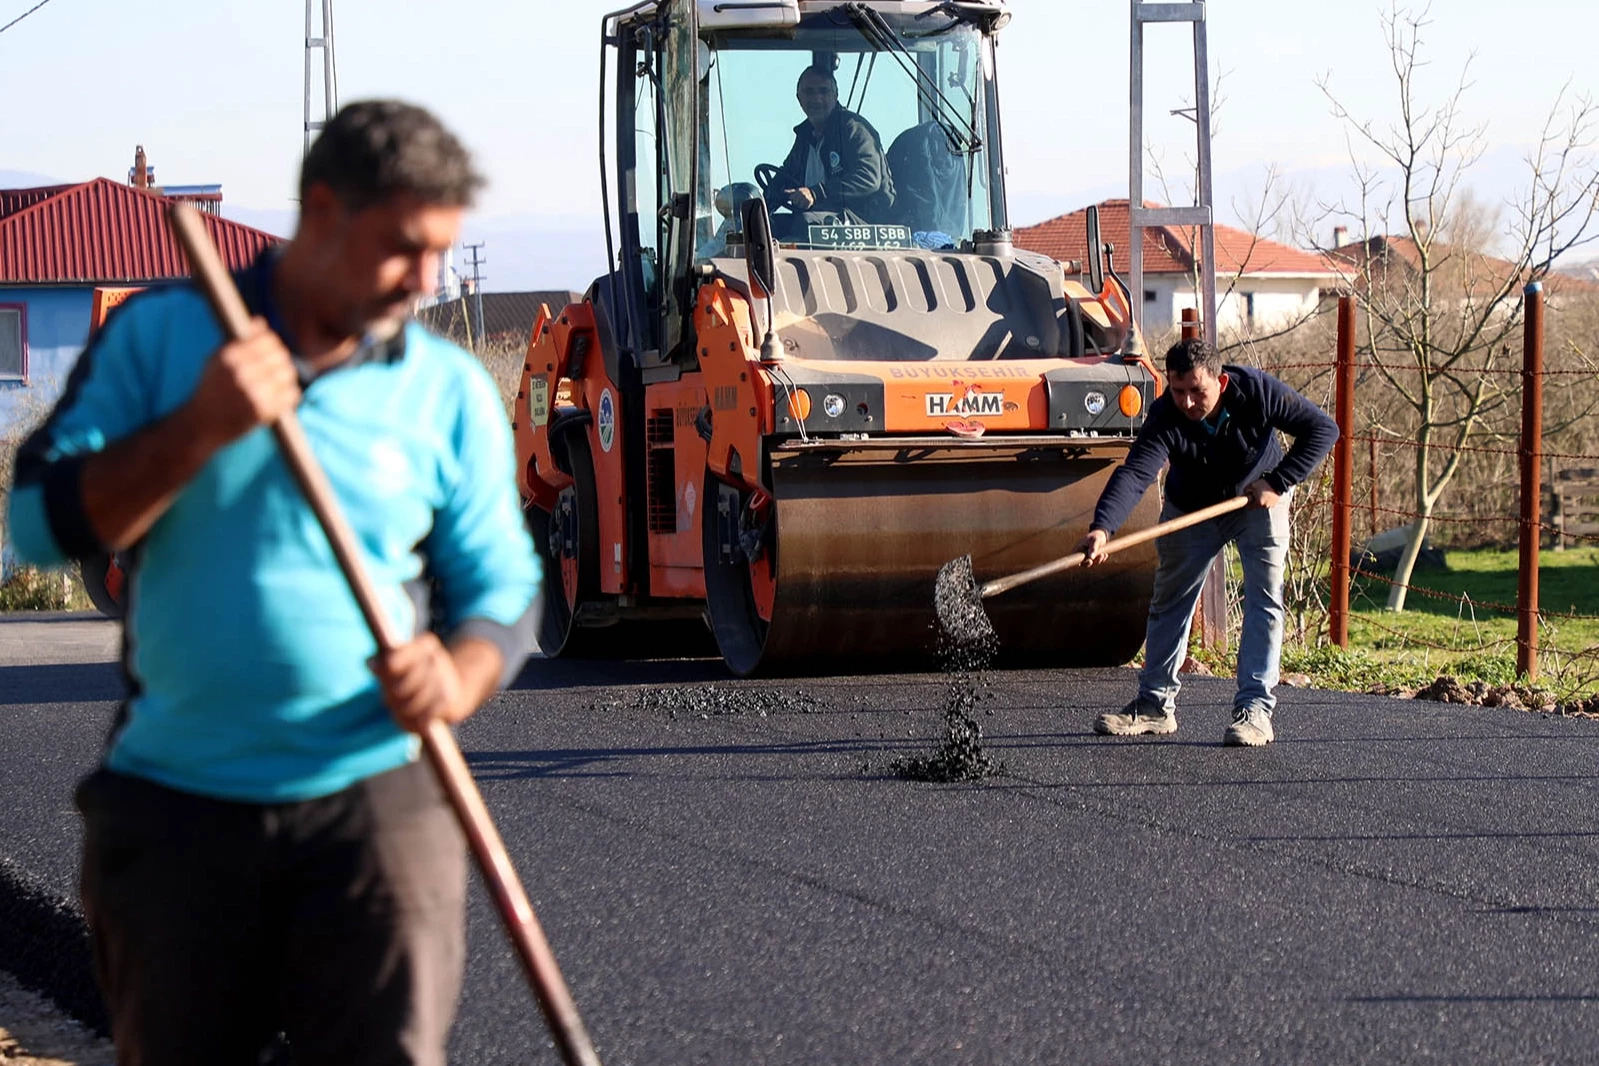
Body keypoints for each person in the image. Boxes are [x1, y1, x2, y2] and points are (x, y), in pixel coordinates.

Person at [6, 100, 540, 1064]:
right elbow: (40, 526)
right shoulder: (163, 339)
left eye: (441, 253)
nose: (426, 282)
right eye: (403, 249)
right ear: (324, 213)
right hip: (178, 815)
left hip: (377, 809)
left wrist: (457, 677)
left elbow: (503, 588)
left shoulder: (444, 389)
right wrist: (196, 429)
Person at [1076, 338, 1337, 747]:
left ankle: (1254, 711)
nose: (1187, 402)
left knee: (1264, 599)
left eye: (1197, 390)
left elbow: (1323, 429)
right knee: (1169, 600)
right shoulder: (1165, 414)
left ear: (1221, 380)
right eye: (1178, 391)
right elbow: (1136, 472)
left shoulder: (1256, 391)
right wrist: (1103, 527)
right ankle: (1153, 705)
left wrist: (1278, 481)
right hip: (1191, 507)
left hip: (1256, 500)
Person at [769, 65, 895, 225]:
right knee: (769, 226)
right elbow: (785, 177)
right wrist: (758, 204)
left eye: (823, 91)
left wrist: (816, 193)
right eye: (809, 92)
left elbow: (868, 177)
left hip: (866, 221)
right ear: (799, 98)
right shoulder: (805, 137)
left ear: (835, 95)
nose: (816, 98)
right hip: (825, 217)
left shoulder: (853, 128)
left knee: (806, 223)